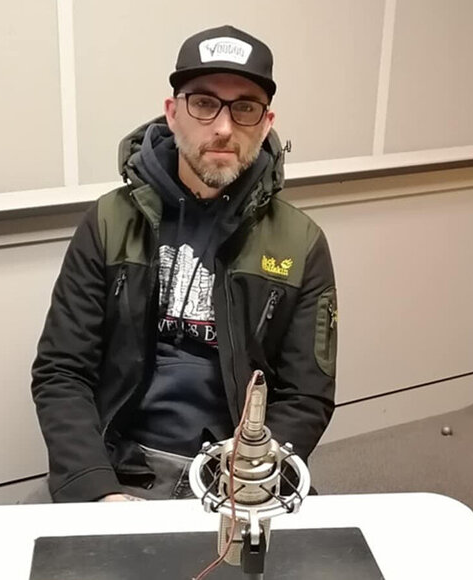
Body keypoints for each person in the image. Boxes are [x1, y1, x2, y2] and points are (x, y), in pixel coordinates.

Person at [29, 25, 337, 503]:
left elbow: (306, 396)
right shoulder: (109, 223)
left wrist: (247, 480)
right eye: (204, 103)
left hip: (239, 471)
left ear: (266, 123)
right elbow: (61, 371)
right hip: (121, 464)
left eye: (245, 108)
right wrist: (96, 489)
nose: (223, 128)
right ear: (173, 113)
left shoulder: (301, 244)